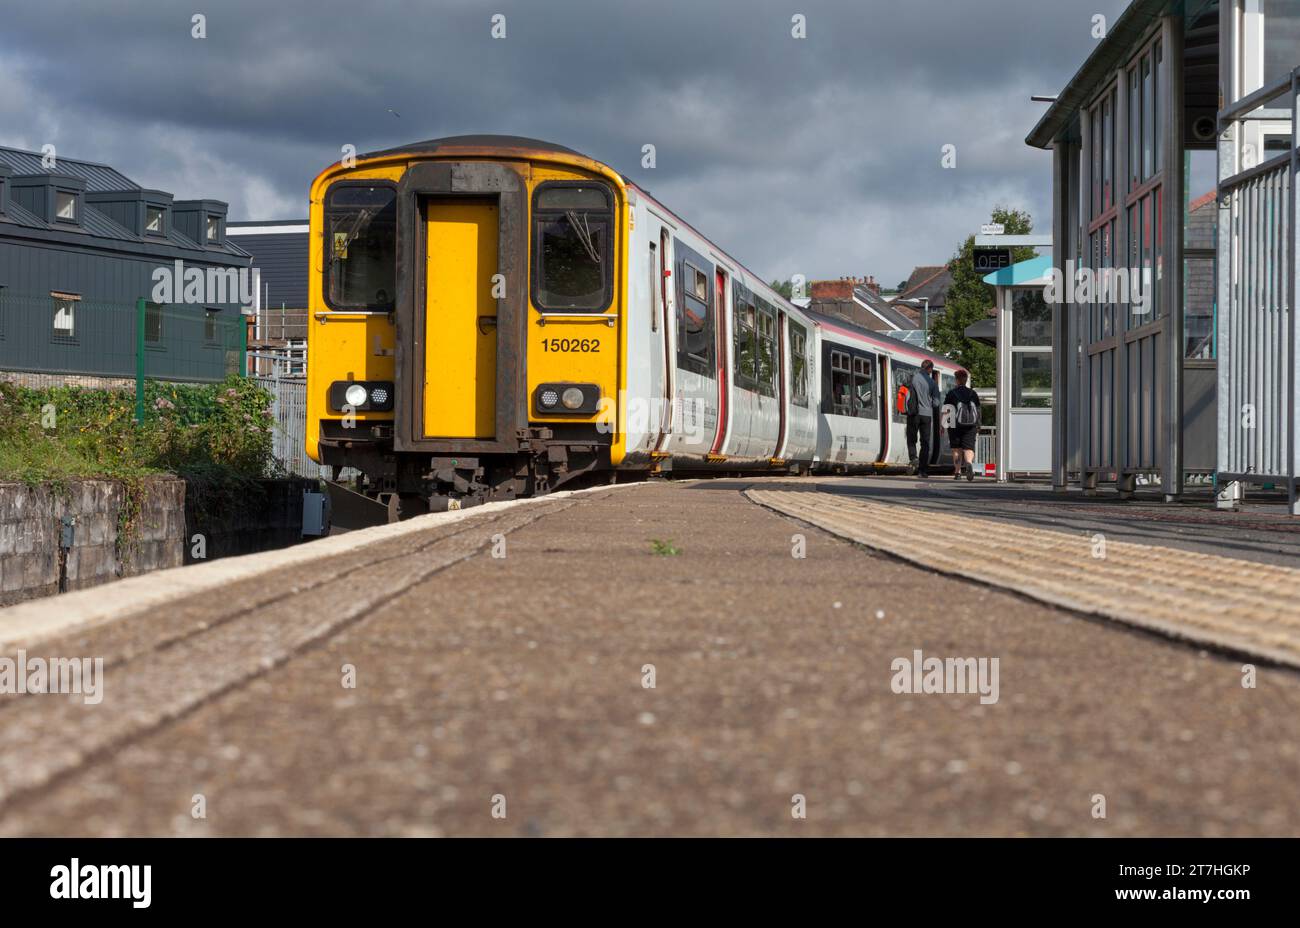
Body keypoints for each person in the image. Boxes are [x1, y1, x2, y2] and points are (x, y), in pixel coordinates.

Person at [944, 369, 981, 481]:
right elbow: (978, 410)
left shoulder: (951, 393)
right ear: (966, 380)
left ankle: (958, 472)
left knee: (956, 449)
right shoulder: (973, 393)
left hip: (954, 425)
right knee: (968, 448)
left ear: (957, 380)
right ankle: (969, 463)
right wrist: (978, 425)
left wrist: (943, 425)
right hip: (971, 425)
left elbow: (946, 410)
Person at [906, 359, 941, 477]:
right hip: (926, 415)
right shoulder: (932, 383)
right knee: (925, 443)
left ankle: (913, 457)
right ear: (930, 369)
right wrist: (928, 402)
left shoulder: (912, 378)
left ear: (921, 367)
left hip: (913, 412)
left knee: (911, 438)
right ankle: (922, 470)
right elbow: (936, 403)